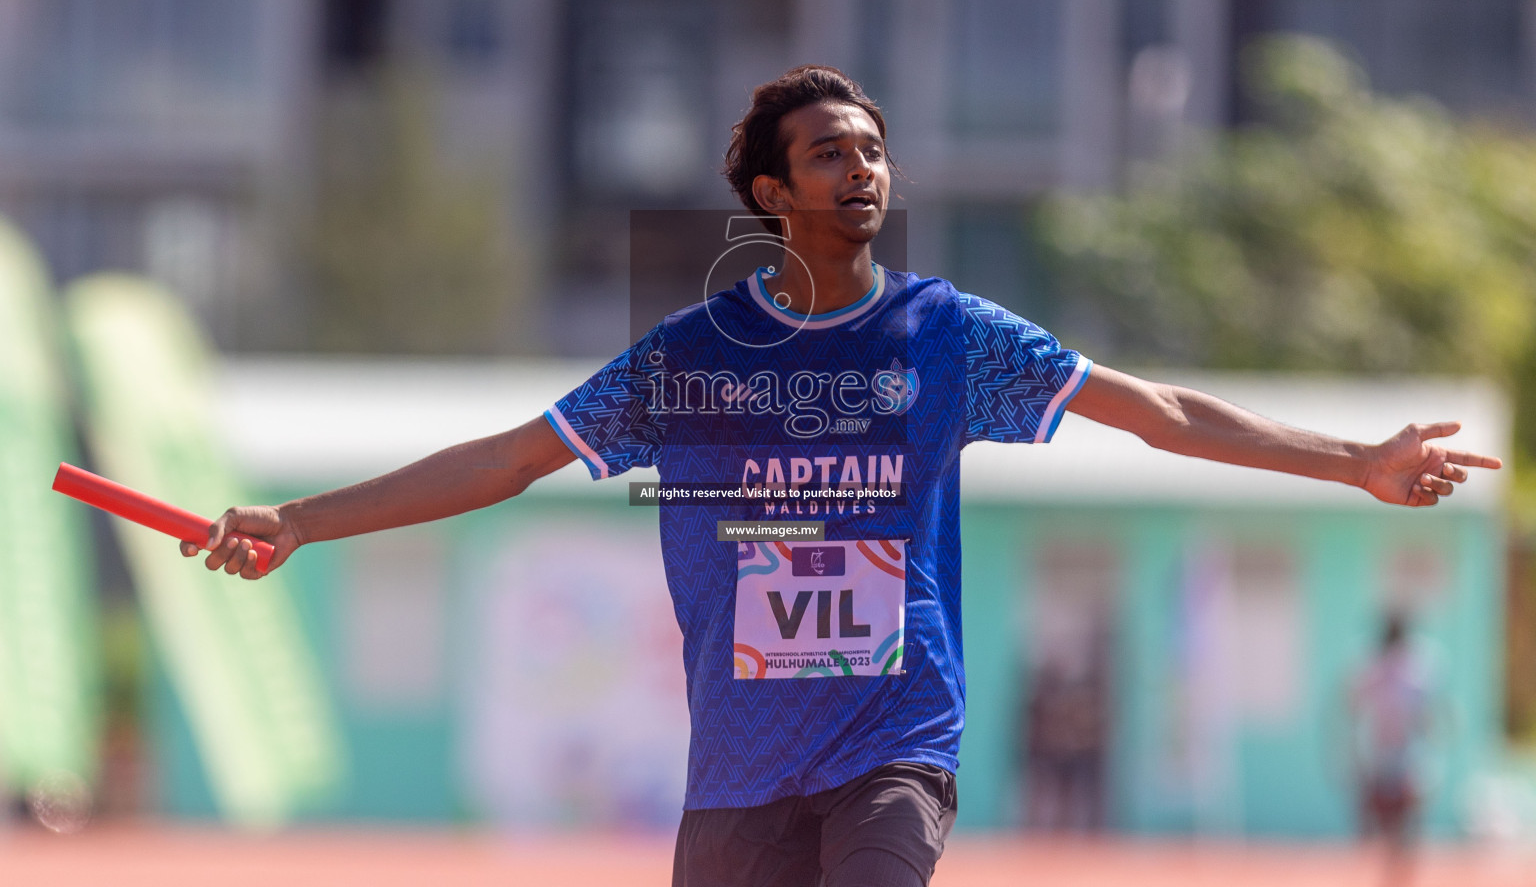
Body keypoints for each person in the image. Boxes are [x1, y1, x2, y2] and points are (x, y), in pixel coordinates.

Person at [184, 66, 1501, 887]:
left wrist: (1356, 464)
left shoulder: (952, 337)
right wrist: (302, 520)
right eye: (832, 153)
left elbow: (1153, 414)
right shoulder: (691, 358)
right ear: (773, 188)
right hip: (739, 772)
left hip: (897, 741)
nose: (863, 168)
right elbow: (510, 459)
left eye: (873, 150)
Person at [1350, 612, 1434, 887]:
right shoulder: (1397, 668)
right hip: (1392, 754)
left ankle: (1398, 867)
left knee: (1402, 817)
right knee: (1396, 819)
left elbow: (1353, 702)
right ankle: (1396, 868)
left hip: (1399, 753)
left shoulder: (1406, 668)